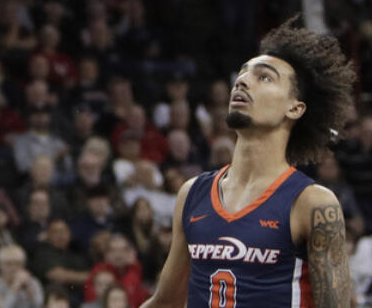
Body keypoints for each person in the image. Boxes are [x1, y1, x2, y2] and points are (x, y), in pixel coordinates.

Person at [141, 21, 357, 308]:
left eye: (264, 78)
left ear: (295, 107)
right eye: (242, 74)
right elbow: (165, 303)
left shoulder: (311, 203)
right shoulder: (192, 194)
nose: (242, 81)